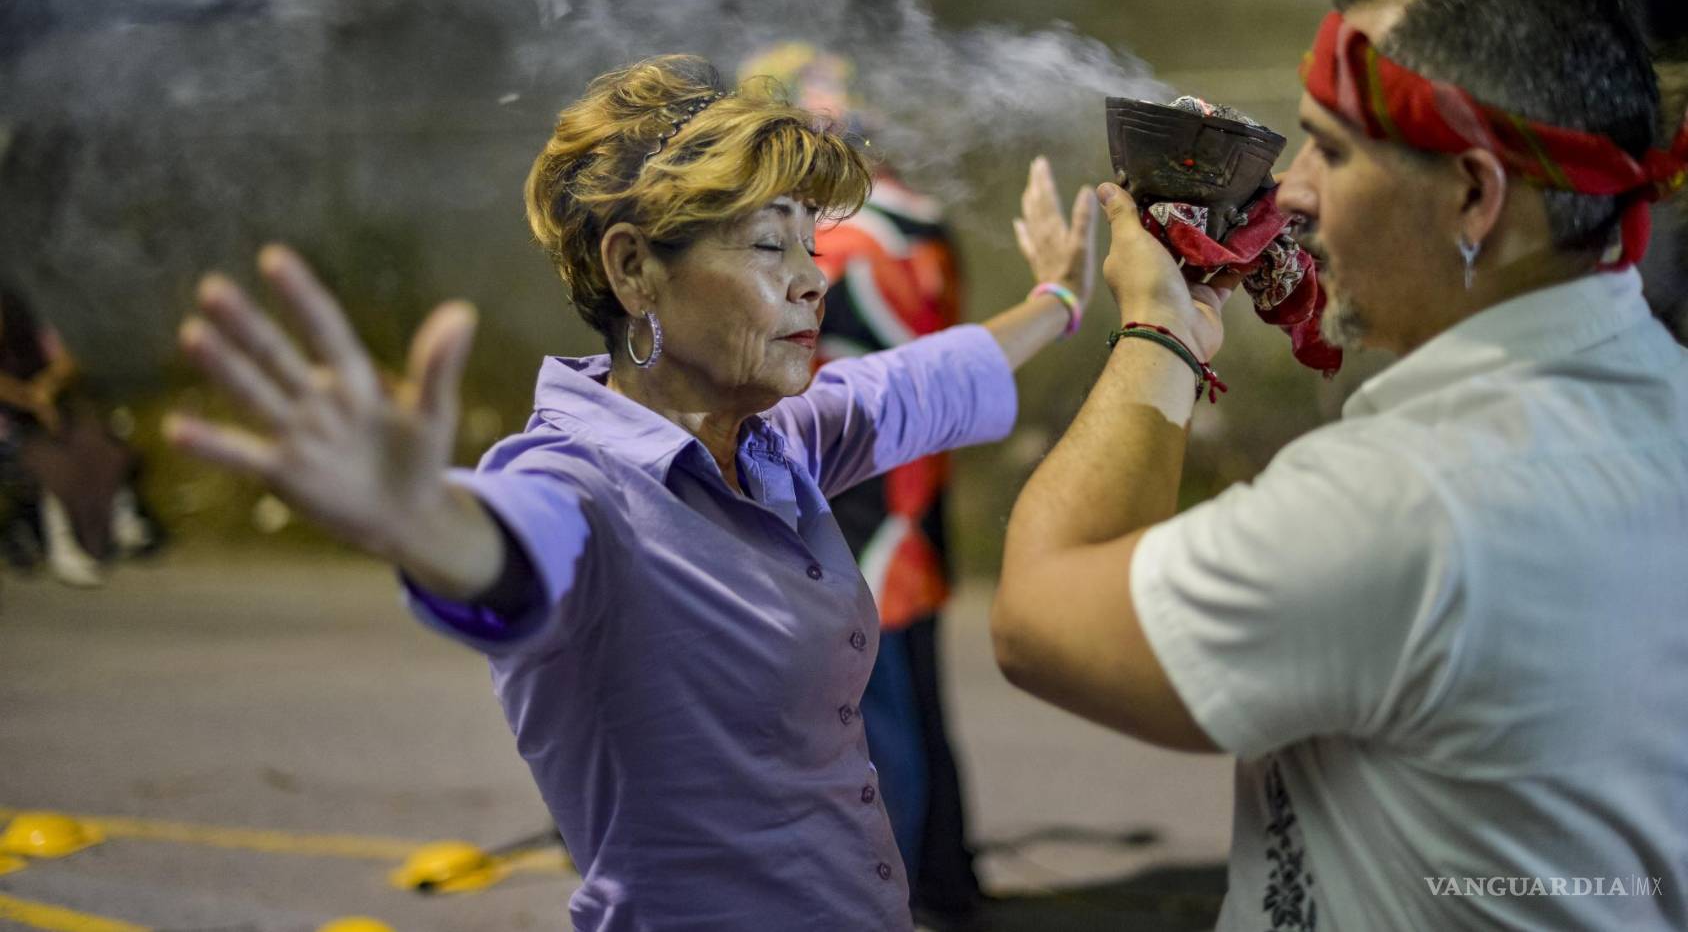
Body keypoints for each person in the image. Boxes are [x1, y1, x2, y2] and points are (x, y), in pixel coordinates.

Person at [166, 55, 1096, 932]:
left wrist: (1060, 297)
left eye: (811, 244)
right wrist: (422, 524)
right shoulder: (580, 484)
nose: (814, 279)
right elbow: (508, 546)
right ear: (633, 268)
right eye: (770, 245)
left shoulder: (775, 437)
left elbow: (926, 380)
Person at [990, 0, 1688, 930]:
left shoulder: (1399, 501)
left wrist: (1160, 327)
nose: (1292, 194)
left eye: (1329, 148)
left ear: (1470, 195)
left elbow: (1033, 620)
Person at [739, 41, 992, 925]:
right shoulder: (918, 218)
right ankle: (946, 884)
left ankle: (890, 905)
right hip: (916, 494)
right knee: (918, 701)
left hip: (854, 503)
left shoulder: (833, 238)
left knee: (872, 720)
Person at [0, 284, 156, 587]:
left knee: (97, 445)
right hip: (12, 435)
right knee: (53, 471)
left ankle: (120, 523)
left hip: (48, 426)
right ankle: (64, 548)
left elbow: (67, 363)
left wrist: (46, 386)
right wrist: (30, 399)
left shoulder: (30, 339)